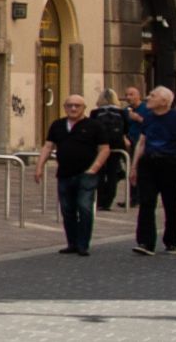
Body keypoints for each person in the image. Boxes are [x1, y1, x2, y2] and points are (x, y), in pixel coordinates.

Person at [36, 92, 116, 255]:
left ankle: (83, 244)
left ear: (84, 108)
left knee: (85, 208)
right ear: (64, 107)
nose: (73, 108)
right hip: (64, 173)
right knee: (67, 209)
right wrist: (39, 166)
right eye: (69, 105)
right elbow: (48, 146)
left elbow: (104, 149)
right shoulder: (57, 125)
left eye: (77, 106)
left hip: (86, 174)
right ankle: (72, 243)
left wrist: (94, 169)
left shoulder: (94, 125)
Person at [129, 83, 176, 255]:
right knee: (146, 202)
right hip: (148, 163)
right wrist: (134, 167)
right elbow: (142, 142)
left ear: (164, 101)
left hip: (171, 163)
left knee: (171, 203)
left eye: (153, 95)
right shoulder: (148, 117)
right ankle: (145, 242)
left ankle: (172, 241)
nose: (148, 97)